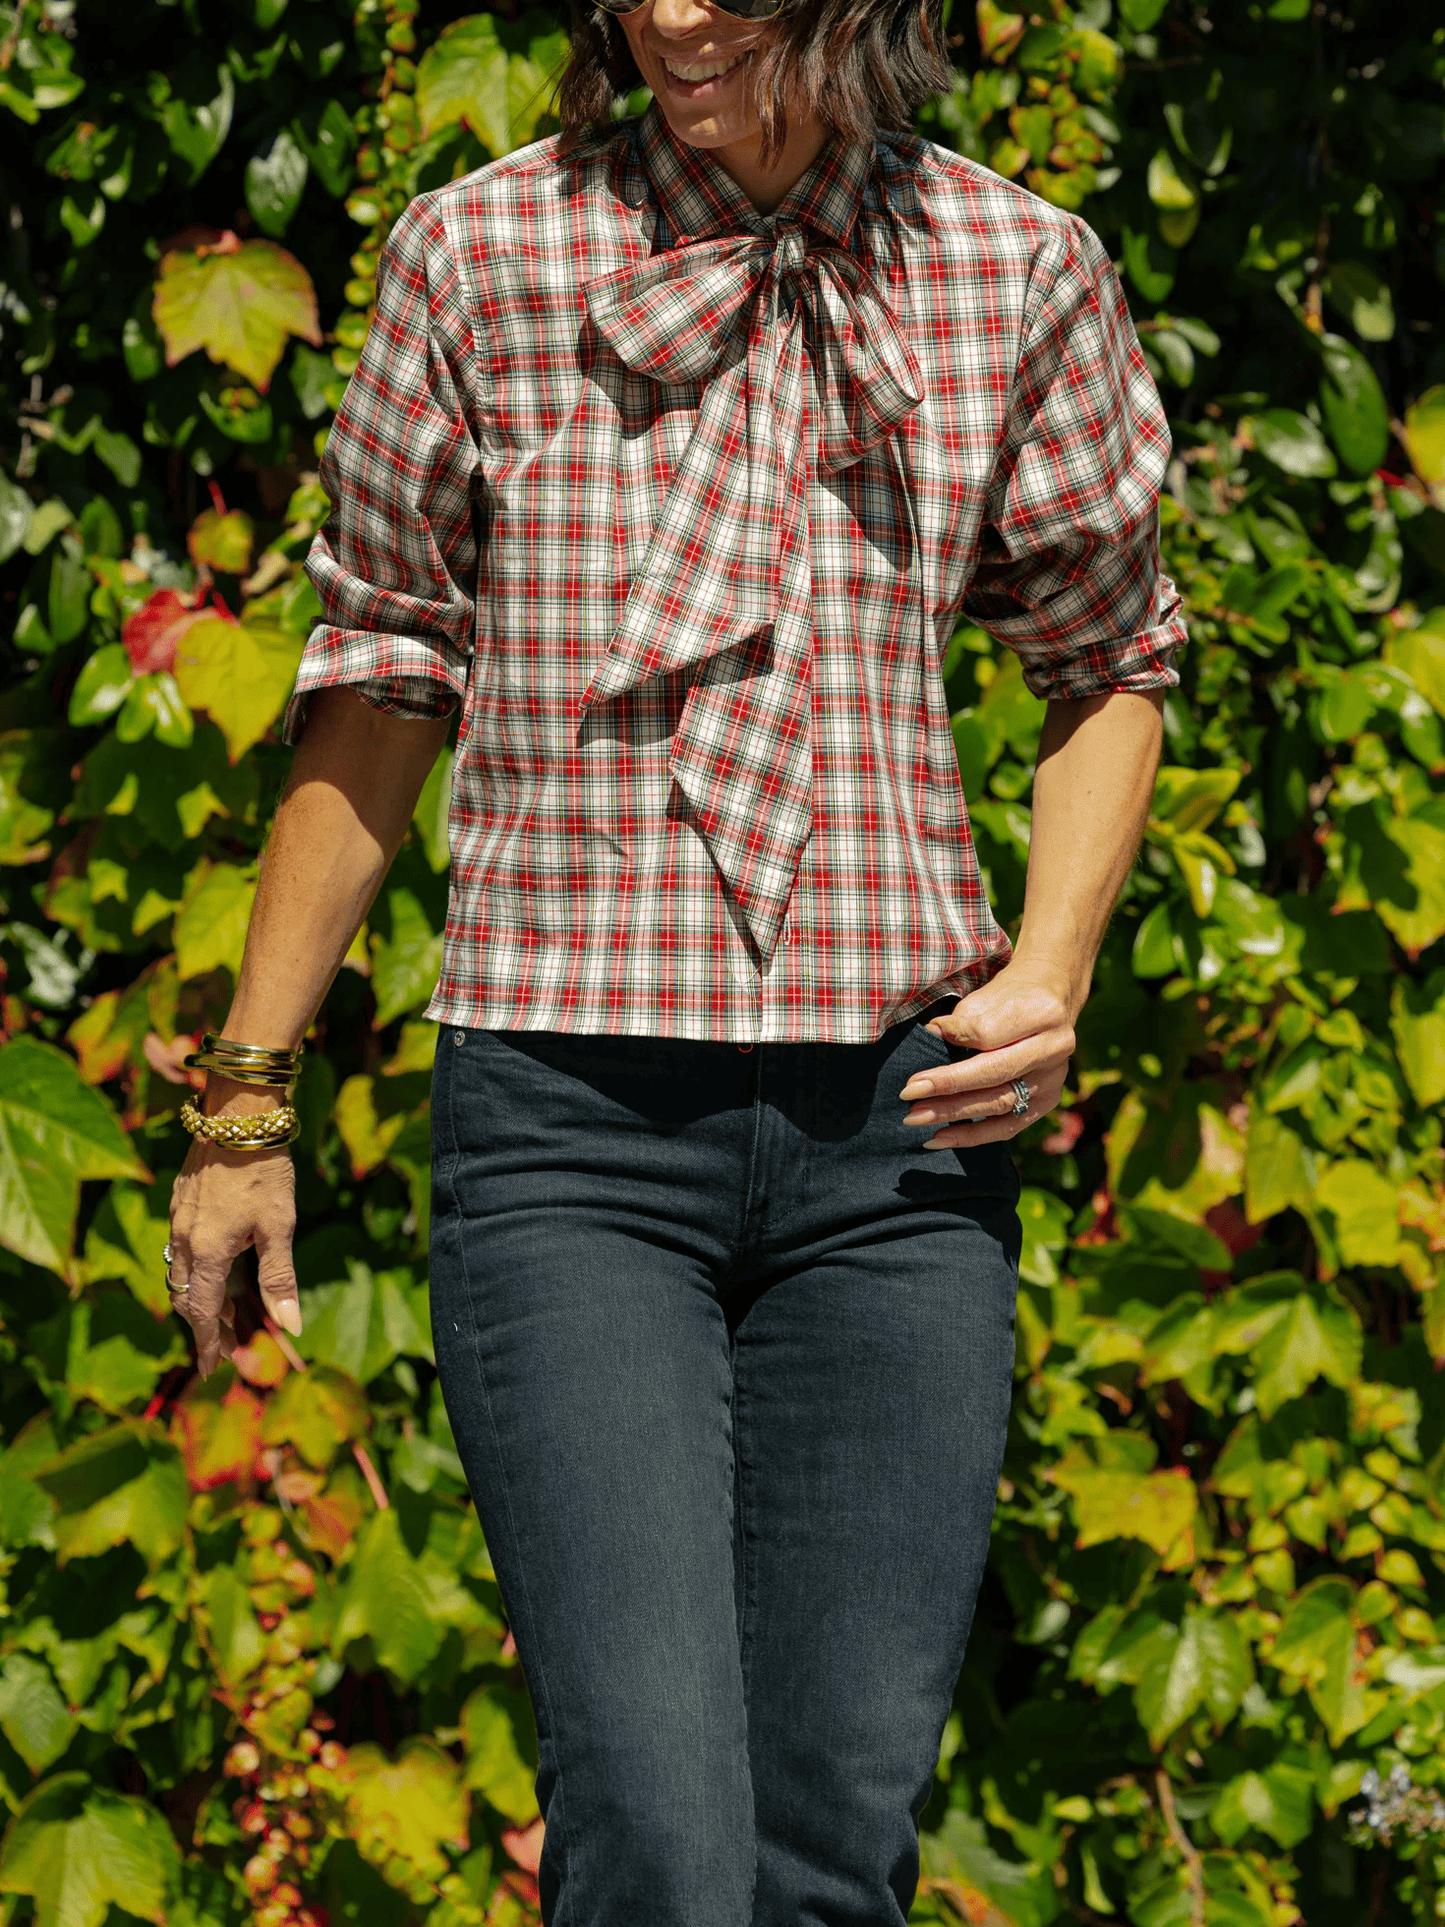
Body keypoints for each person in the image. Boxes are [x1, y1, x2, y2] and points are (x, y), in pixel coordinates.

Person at [166, 0, 1184, 1916]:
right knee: (654, 1837)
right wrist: (243, 1100)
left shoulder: (1015, 267)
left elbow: (1114, 652)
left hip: (902, 1148)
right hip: (569, 1143)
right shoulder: (481, 254)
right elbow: (382, 673)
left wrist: (1051, 966)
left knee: (830, 1857)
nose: (677, 11)